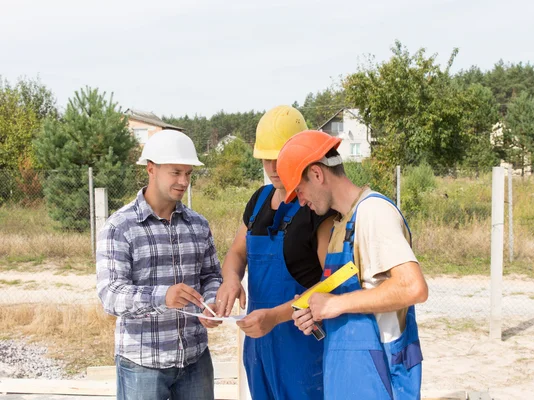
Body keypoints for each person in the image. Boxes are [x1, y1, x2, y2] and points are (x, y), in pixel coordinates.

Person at [277, 129, 429, 399]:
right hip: (346, 378)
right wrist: (316, 311)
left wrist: (335, 304)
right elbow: (355, 299)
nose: (301, 202)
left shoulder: (373, 212)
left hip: (378, 378)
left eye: (299, 191)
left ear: (316, 174)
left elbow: (412, 287)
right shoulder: (340, 227)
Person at [214, 106, 334, 400]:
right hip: (259, 342)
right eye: (266, 159)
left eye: (279, 158)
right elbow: (236, 253)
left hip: (303, 344)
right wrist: (230, 279)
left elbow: (332, 284)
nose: (271, 167)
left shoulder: (318, 207)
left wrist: (276, 317)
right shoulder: (258, 200)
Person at [96, 129, 223, 400]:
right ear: (151, 169)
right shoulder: (120, 227)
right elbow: (110, 295)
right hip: (142, 363)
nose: (183, 181)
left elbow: (212, 274)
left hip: (195, 358)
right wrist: (162, 297)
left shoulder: (198, 225)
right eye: (175, 172)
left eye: (188, 173)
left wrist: (211, 302)